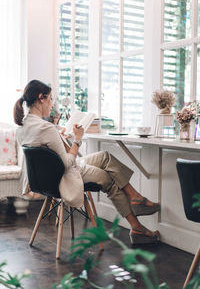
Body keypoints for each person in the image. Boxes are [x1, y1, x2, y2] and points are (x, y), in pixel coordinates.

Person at [13, 80, 160, 244]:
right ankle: (137, 227)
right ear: (41, 98)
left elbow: (48, 156)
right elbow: (67, 163)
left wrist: (61, 138)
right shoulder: (46, 128)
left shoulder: (22, 128)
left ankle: (135, 197)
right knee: (109, 179)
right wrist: (77, 139)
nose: (52, 103)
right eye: (51, 99)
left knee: (105, 156)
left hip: (45, 180)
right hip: (64, 177)